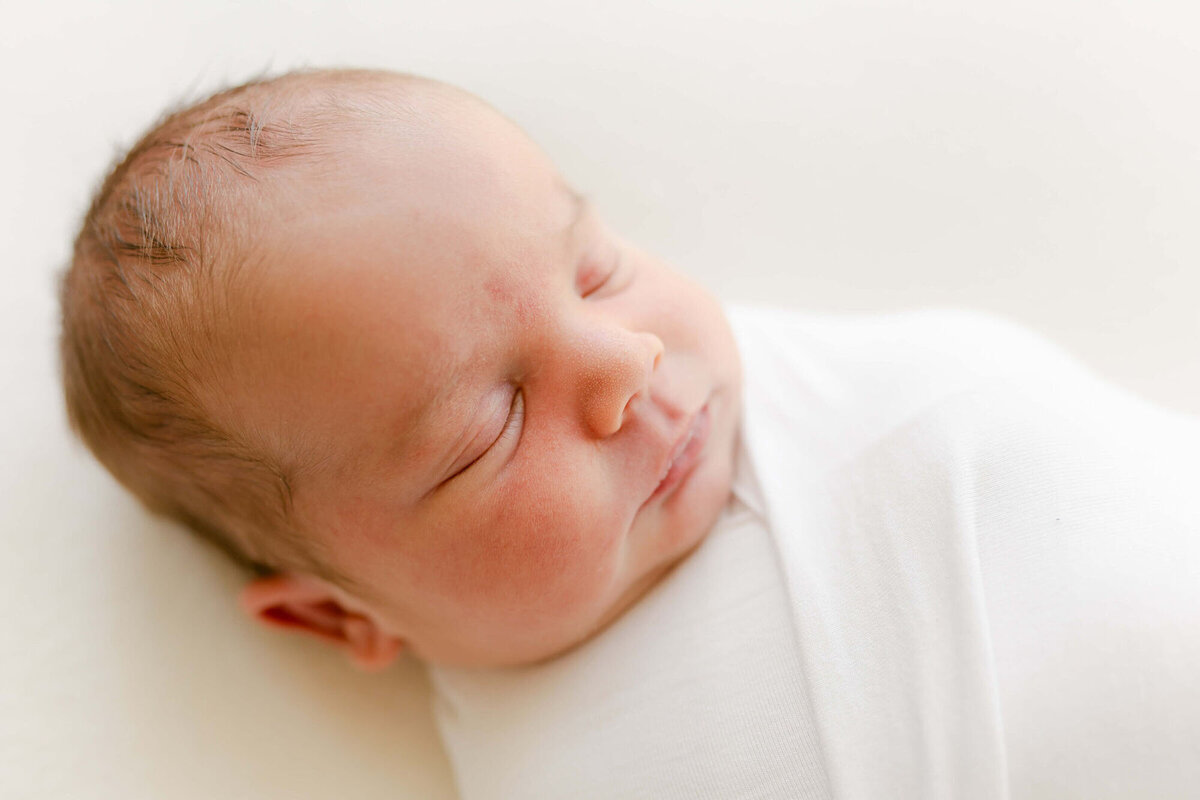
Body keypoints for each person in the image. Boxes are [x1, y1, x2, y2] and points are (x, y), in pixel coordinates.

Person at [60, 68, 1200, 798]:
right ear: (335, 612)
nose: (627, 360)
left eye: (596, 268)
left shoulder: (847, 383)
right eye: (490, 426)